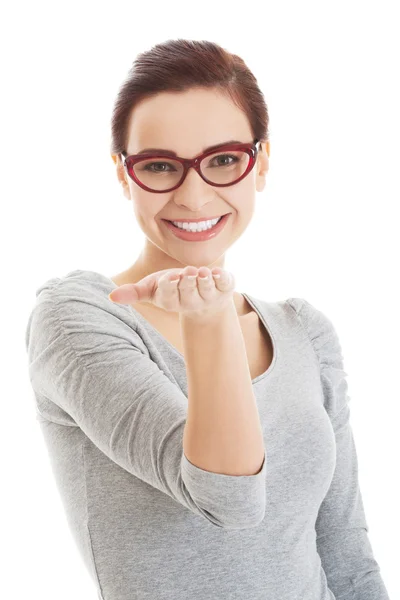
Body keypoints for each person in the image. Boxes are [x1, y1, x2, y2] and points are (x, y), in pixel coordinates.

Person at [25, 39, 390, 600]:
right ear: (124, 175)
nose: (194, 197)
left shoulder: (304, 332)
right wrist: (209, 318)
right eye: (160, 166)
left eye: (222, 160)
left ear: (260, 162)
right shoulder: (79, 317)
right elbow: (231, 500)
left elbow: (344, 547)